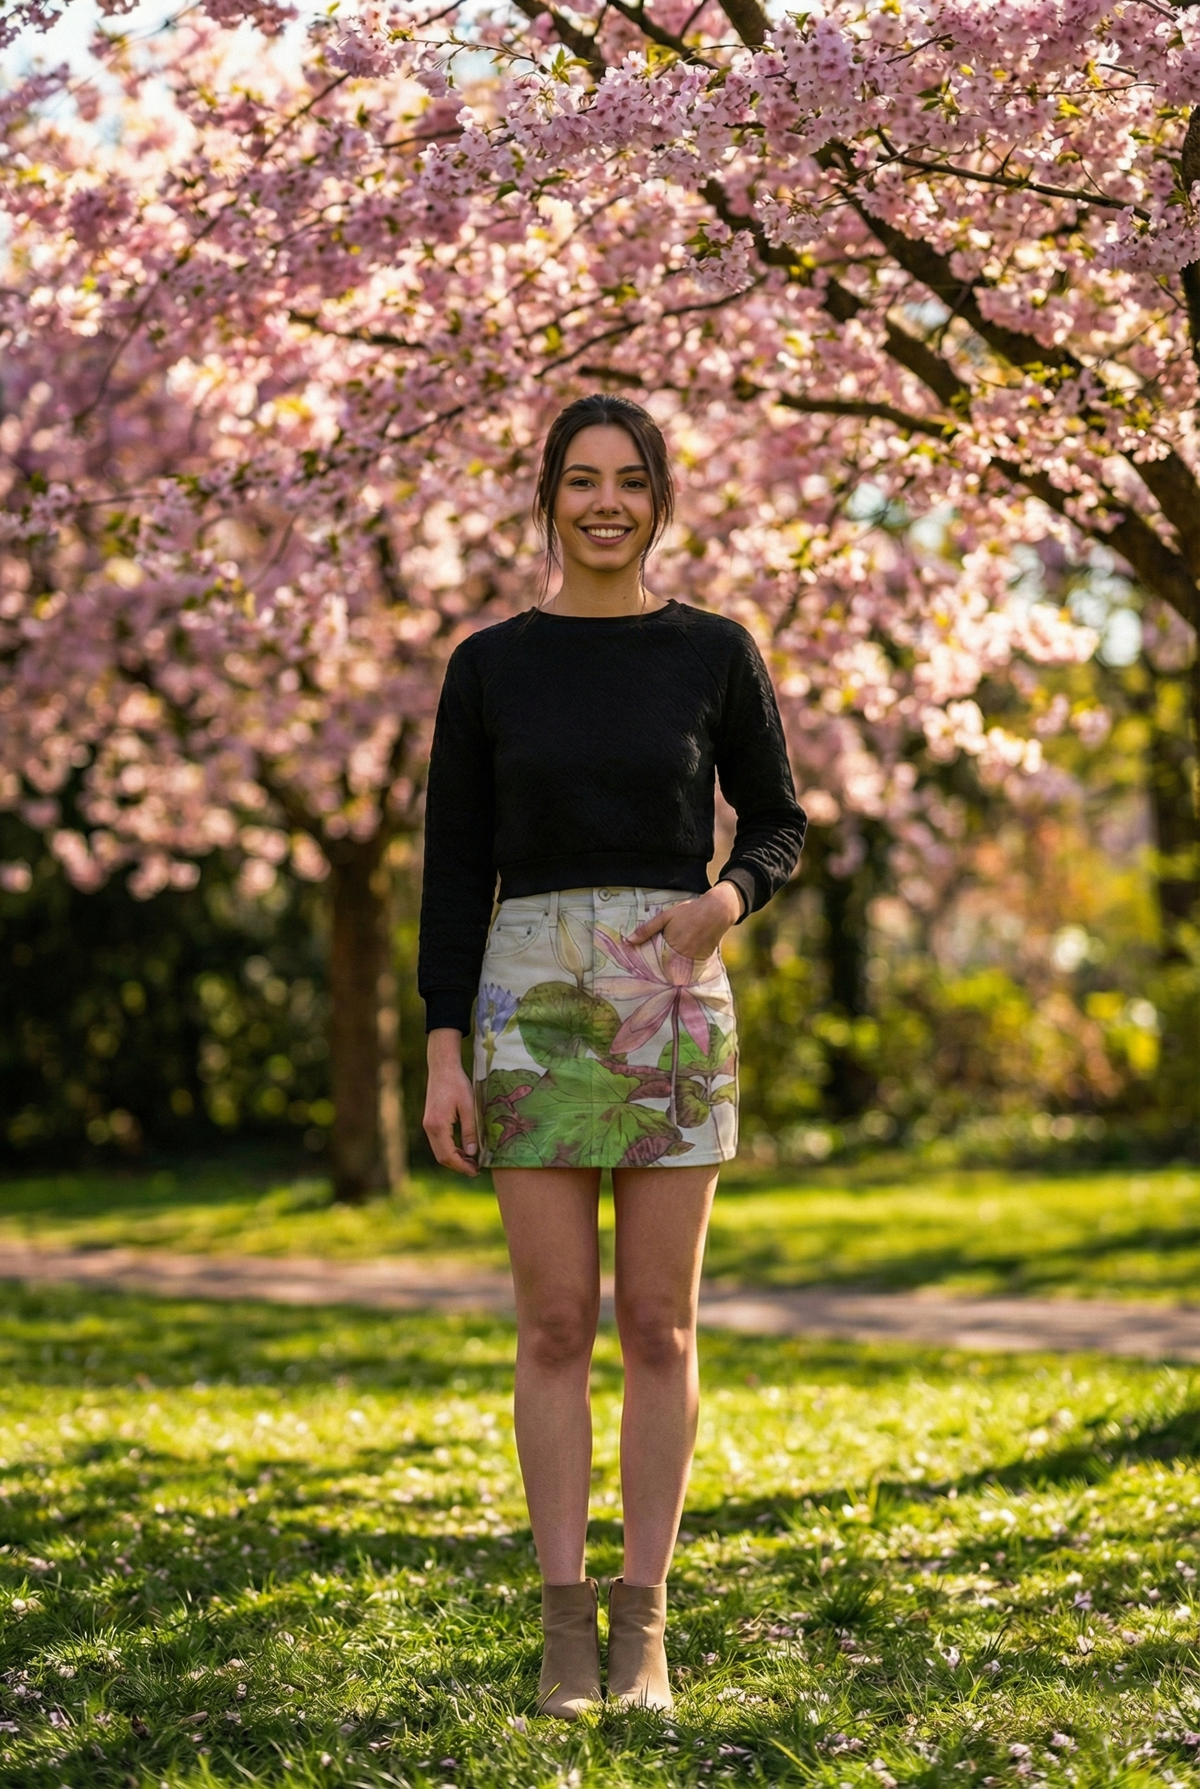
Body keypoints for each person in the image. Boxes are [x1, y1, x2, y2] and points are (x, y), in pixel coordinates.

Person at [418, 393, 806, 1717]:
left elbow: (779, 821)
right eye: (580, 480)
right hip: (524, 994)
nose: (604, 504)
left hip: (671, 986)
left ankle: (645, 1629)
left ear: (659, 498)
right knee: (552, 1322)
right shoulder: (488, 665)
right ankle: (564, 1628)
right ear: (547, 496)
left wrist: (725, 902)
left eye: (629, 481)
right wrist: (441, 1051)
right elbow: (452, 869)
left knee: (657, 1320)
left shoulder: (713, 651)